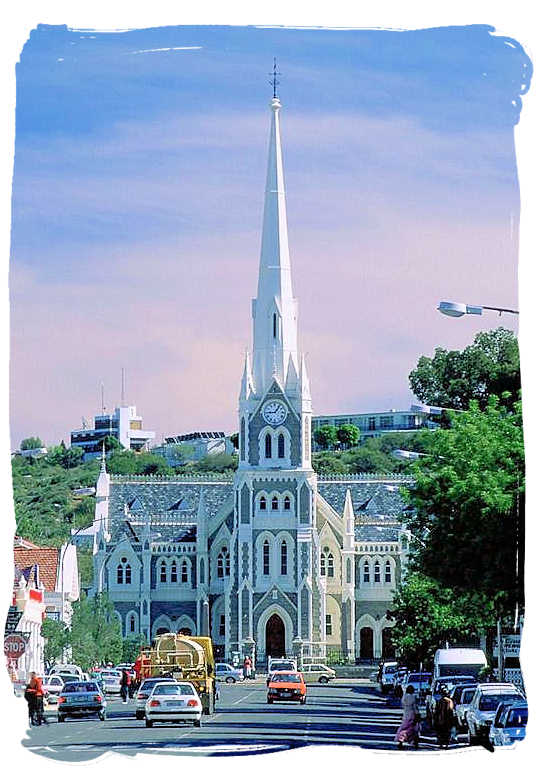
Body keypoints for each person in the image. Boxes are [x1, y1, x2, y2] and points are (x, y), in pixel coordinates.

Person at [395, 685, 420, 750]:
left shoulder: (404, 697)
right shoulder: (413, 697)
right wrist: (418, 714)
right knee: (414, 729)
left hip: (405, 715)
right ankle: (415, 742)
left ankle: (401, 740)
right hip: (412, 715)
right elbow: (415, 708)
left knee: (404, 728)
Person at [434, 685, 455, 750]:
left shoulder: (441, 701)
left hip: (442, 719)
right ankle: (445, 744)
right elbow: (451, 710)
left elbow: (436, 710)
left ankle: (442, 744)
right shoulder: (448, 701)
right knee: (445, 732)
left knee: (441, 732)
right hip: (446, 719)